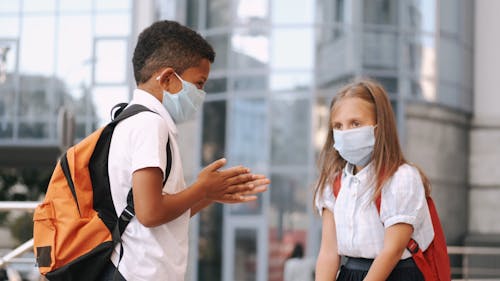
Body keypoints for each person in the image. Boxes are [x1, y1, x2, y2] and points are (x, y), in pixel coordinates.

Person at [100, 20, 270, 281]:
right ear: (168, 79)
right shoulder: (149, 124)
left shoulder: (134, 120)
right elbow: (150, 212)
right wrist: (201, 188)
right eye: (199, 83)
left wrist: (209, 193)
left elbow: (161, 215)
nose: (201, 93)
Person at [314, 79, 434, 281]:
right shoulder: (334, 183)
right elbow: (328, 252)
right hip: (350, 273)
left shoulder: (401, 178)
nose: (346, 133)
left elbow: (392, 252)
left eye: (356, 124)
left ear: (379, 127)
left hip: (395, 274)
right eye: (338, 126)